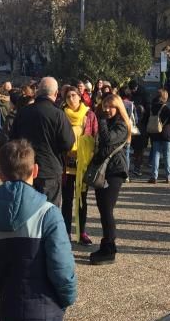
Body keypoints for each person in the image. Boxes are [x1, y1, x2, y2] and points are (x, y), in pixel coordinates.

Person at [0, 140, 77, 321]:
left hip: (10, 307)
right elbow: (62, 268)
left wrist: (8, 287)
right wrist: (66, 298)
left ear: (1, 174)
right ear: (35, 170)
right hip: (42, 310)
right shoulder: (48, 214)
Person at [10, 77, 76, 206]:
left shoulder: (23, 112)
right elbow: (68, 142)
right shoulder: (58, 114)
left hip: (26, 166)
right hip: (50, 168)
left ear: (38, 92)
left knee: (27, 208)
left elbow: (13, 139)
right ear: (56, 94)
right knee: (49, 210)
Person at [89, 93, 131, 265]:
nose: (107, 109)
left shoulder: (121, 125)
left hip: (115, 171)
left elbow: (107, 140)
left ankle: (110, 249)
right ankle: (105, 244)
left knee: (107, 210)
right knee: (102, 208)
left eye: (110, 106)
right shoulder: (109, 122)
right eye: (105, 106)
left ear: (118, 107)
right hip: (104, 170)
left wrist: (103, 121)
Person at [61, 87, 98, 246]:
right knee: (67, 200)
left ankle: (82, 232)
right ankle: (66, 232)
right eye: (67, 96)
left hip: (83, 163)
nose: (71, 99)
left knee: (82, 200)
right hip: (66, 164)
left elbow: (96, 136)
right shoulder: (61, 114)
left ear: (80, 97)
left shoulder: (89, 115)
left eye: (73, 95)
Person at [146, 89, 170, 184]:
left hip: (155, 133)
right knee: (167, 155)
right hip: (166, 132)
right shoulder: (165, 107)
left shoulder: (152, 107)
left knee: (156, 154)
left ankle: (154, 176)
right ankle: (168, 176)